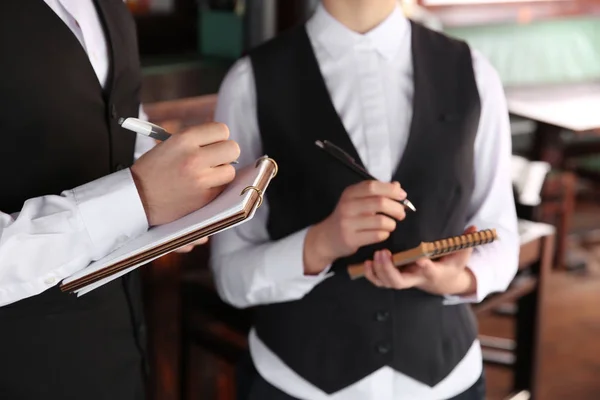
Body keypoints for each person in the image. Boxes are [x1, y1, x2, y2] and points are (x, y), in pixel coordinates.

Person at [210, 0, 519, 399]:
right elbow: (229, 273)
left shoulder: (473, 71)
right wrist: (319, 243)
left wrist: (454, 279)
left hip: (449, 382)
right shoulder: (250, 81)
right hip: (296, 383)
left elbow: (501, 235)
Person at [0, 1, 239, 399]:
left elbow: (119, 124)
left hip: (120, 350)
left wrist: (177, 196)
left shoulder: (110, 8)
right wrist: (139, 199)